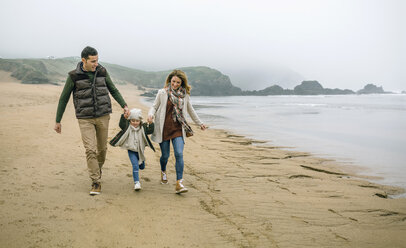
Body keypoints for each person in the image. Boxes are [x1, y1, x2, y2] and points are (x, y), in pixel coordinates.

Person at [54, 46, 129, 195]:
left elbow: (113, 89)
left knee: (102, 149)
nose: (96, 64)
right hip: (85, 118)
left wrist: (124, 105)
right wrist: (58, 120)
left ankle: (97, 168)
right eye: (93, 61)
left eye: (97, 60)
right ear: (84, 60)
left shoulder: (102, 72)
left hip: (103, 115)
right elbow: (64, 98)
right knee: (90, 149)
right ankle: (95, 181)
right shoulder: (74, 76)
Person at [147, 69, 207, 194]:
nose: (175, 84)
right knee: (165, 156)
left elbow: (191, 110)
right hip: (163, 128)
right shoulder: (162, 93)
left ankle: (179, 182)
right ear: (170, 81)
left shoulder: (185, 95)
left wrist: (200, 123)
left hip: (178, 129)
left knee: (179, 153)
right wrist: (150, 115)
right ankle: (163, 171)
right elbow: (154, 106)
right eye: (173, 81)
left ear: (182, 83)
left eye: (178, 82)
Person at [109, 108, 155, 191]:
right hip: (131, 150)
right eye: (132, 120)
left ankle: (142, 162)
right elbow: (121, 124)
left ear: (140, 121)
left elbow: (150, 130)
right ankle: (137, 183)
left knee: (142, 166)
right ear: (130, 120)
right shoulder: (127, 127)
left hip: (140, 151)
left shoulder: (143, 127)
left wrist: (151, 123)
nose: (135, 123)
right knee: (135, 165)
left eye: (137, 121)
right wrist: (124, 116)